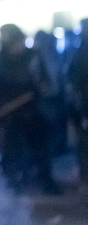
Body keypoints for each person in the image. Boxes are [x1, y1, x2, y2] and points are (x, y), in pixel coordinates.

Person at [0, 23, 61, 195]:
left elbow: (47, 82)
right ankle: (15, 182)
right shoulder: (1, 60)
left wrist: (38, 89)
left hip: (34, 111)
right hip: (11, 113)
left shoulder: (33, 56)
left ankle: (46, 181)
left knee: (39, 149)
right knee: (13, 150)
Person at [67, 18, 88, 195]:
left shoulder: (80, 51)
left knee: (84, 144)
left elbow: (73, 79)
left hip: (83, 106)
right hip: (83, 105)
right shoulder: (80, 51)